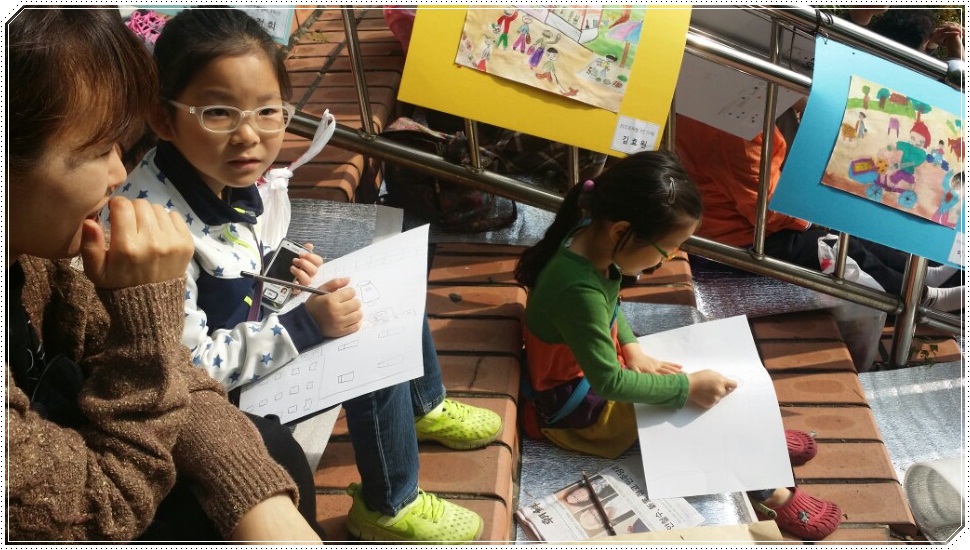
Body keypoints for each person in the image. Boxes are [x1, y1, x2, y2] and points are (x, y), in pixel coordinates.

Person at [114, 8, 500, 542]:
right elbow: (187, 371)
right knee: (365, 345)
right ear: (164, 118)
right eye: (219, 113)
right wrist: (303, 324)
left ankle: (423, 404)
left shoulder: (218, 174)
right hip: (218, 409)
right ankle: (389, 505)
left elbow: (240, 264)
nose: (248, 135)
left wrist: (286, 275)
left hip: (250, 339)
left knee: (381, 289)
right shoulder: (157, 232)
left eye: (267, 111)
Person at [6, 8, 320, 542]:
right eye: (96, 149)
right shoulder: (133, 218)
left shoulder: (39, 260)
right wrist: (147, 312)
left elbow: (169, 375)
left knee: (274, 457)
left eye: (269, 111)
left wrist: (258, 495)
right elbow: (100, 508)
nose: (118, 173)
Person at [514, 150, 843, 540]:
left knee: (702, 379)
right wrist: (686, 389)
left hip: (592, 377)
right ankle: (767, 491)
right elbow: (610, 383)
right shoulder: (578, 288)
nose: (668, 258)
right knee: (694, 403)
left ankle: (755, 439)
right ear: (622, 231)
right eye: (666, 248)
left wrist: (632, 347)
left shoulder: (589, 236)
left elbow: (610, 307)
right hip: (577, 411)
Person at [674, 114, 963, 312]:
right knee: (832, 245)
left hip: (735, 217)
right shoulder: (734, 132)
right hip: (741, 236)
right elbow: (765, 210)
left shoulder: (713, 111)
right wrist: (810, 216)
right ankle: (924, 299)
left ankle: (920, 277)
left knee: (844, 225)